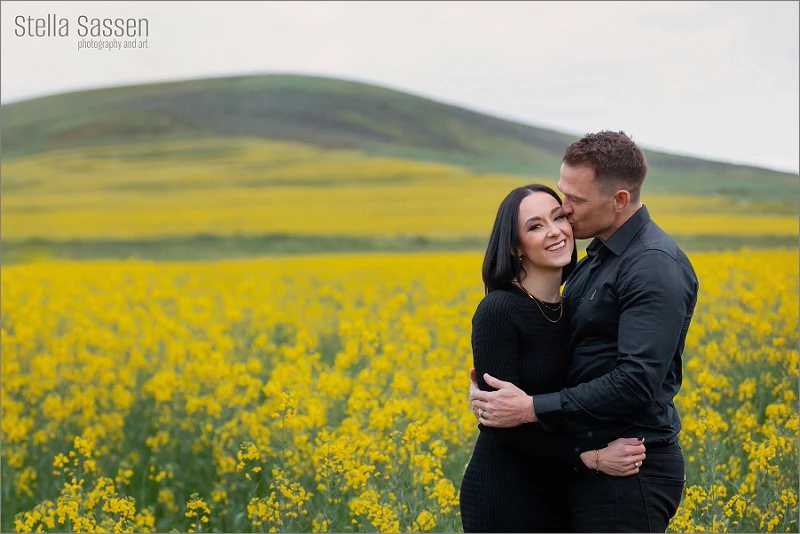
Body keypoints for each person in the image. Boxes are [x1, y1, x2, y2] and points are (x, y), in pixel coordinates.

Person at [469, 131, 699, 533]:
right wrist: (493, 400)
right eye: (562, 198)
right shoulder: (593, 263)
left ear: (620, 200)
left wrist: (530, 407)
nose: (565, 214)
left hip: (629, 469)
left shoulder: (651, 265)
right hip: (567, 474)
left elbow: (636, 382)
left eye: (571, 204)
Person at [459, 183, 647, 533]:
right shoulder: (498, 310)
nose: (554, 231)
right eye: (535, 226)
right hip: (506, 494)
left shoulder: (575, 307)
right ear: (515, 247)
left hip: (562, 491)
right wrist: (591, 458)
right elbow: (501, 426)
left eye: (558, 217)